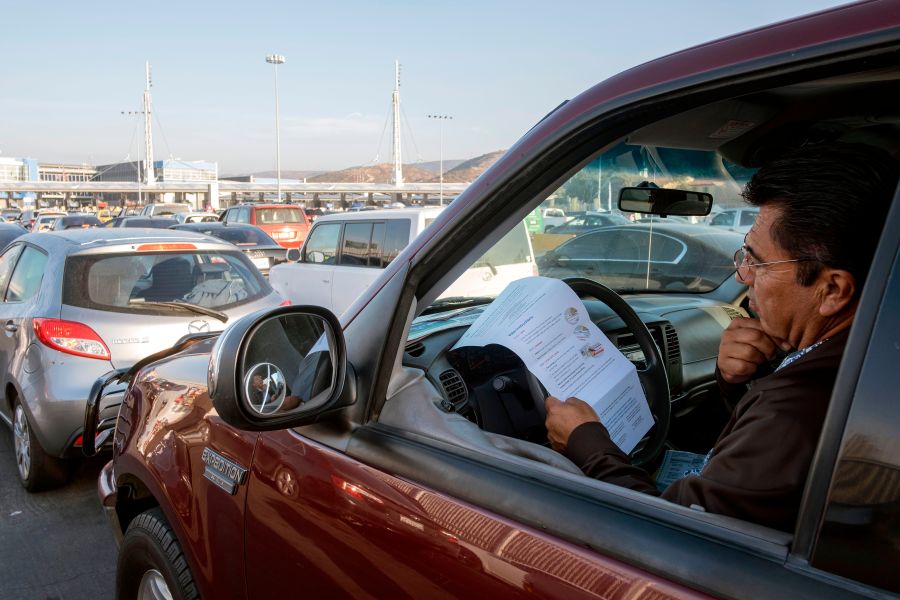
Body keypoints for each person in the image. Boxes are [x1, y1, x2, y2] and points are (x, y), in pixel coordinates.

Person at [544, 142, 899, 531]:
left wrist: (587, 442)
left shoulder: (795, 412)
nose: (743, 277)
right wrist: (741, 384)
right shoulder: (865, 358)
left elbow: (666, 536)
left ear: (832, 291)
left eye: (758, 263)